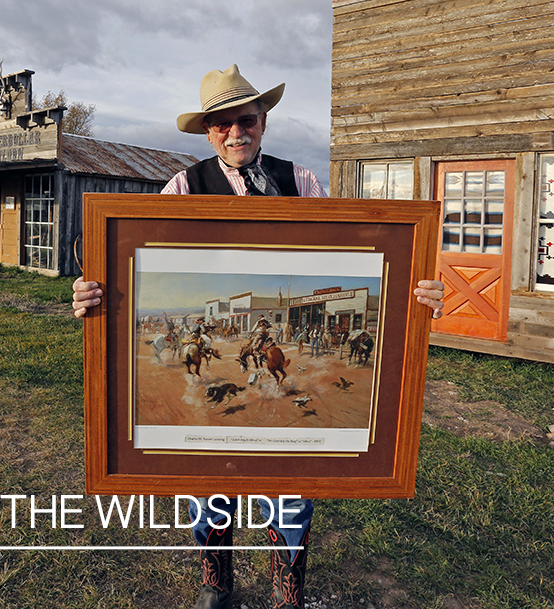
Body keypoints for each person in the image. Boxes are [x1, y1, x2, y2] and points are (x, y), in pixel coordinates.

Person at [72, 64, 445, 609]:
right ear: (208, 132)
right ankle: (216, 584)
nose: (234, 133)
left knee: (292, 488)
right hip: (229, 353)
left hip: (273, 338)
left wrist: (415, 290)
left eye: (245, 120)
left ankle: (286, 588)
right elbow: (140, 259)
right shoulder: (182, 186)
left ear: (263, 121)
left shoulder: (302, 181)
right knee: (208, 487)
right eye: (221, 124)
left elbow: (356, 252)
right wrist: (96, 296)